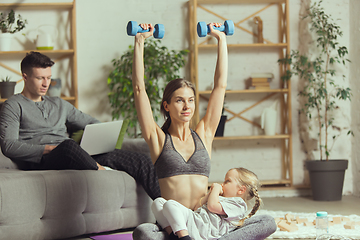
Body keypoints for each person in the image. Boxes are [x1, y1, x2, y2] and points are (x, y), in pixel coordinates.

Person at [131, 23, 276, 240]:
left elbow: (220, 86)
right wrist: (139, 41)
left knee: (267, 221)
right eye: (179, 100)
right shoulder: (158, 139)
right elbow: (139, 89)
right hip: (177, 223)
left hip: (209, 220)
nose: (187, 106)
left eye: (190, 100)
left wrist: (221, 39)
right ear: (167, 106)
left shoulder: (204, 134)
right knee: (143, 232)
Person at [0, 51, 160, 200]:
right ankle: (103, 171)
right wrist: (48, 148)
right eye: (40, 78)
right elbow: (9, 145)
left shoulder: (59, 104)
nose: (46, 83)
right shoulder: (13, 105)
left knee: (141, 160)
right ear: (25, 77)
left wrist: (98, 138)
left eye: (48, 78)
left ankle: (169, 212)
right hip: (43, 159)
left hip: (75, 154)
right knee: (68, 145)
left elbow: (92, 123)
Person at [151, 167, 262, 240]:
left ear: (241, 190)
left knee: (170, 204)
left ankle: (184, 237)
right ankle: (173, 236)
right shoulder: (218, 198)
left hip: (202, 231)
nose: (222, 184)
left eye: (227, 181)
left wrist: (215, 190)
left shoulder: (239, 205)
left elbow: (212, 206)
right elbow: (197, 208)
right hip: (195, 221)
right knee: (158, 202)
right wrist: (210, 194)